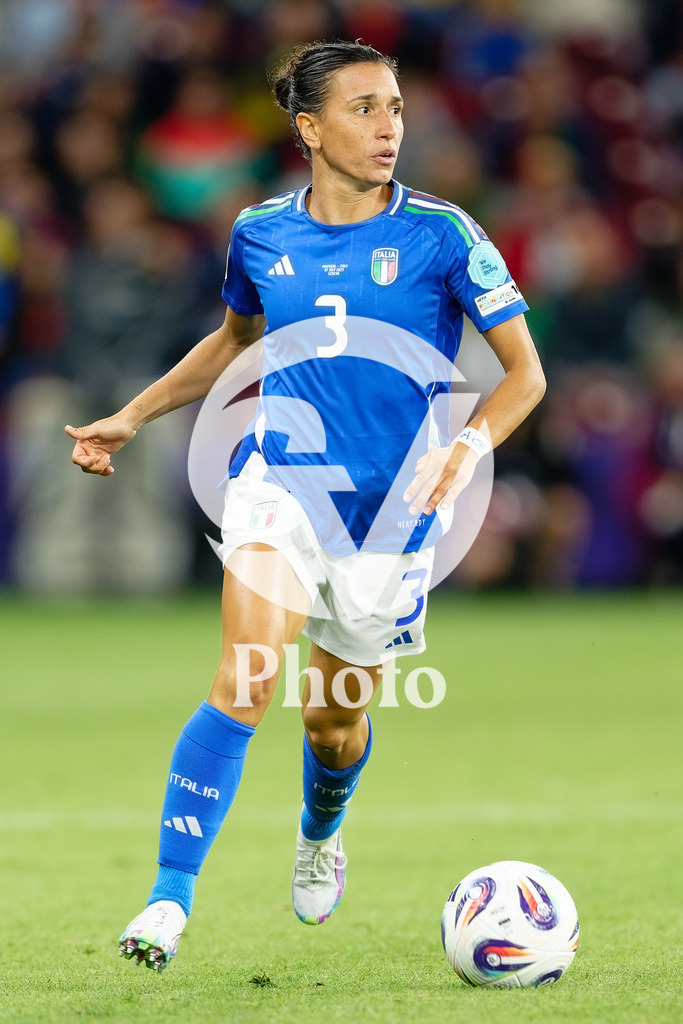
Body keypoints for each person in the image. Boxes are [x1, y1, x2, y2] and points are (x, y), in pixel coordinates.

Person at [66, 40, 546, 972]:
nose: (389, 125)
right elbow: (232, 339)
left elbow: (525, 375)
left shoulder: (442, 234)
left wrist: (467, 443)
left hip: (392, 518)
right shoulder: (260, 233)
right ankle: (168, 899)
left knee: (332, 724)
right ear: (309, 129)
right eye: (364, 108)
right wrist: (133, 415)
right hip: (278, 482)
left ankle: (320, 829)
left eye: (396, 107)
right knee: (246, 677)